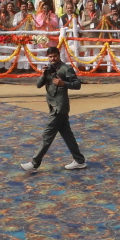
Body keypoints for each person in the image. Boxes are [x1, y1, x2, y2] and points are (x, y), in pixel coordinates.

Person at [20, 44, 87, 172]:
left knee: (47, 135)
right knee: (68, 135)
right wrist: (43, 75)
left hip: (59, 108)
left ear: (59, 55)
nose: (52, 59)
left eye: (54, 56)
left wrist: (64, 83)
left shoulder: (66, 69)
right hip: (53, 106)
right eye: (50, 57)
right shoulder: (49, 69)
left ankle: (34, 163)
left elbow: (77, 84)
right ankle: (79, 160)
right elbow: (38, 85)